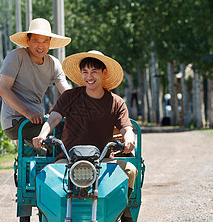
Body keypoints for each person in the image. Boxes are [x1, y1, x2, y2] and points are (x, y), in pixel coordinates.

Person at [32, 50, 138, 198]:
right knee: (46, 178)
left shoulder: (116, 102)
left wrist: (129, 140)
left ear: (104, 72)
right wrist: (42, 135)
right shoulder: (70, 96)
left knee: (130, 170)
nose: (89, 76)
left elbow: (126, 128)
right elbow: (54, 118)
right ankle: (50, 219)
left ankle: (123, 214)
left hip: (103, 159)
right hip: (69, 159)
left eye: (94, 71)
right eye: (85, 72)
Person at [0, 18, 72, 143]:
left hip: (39, 120)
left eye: (45, 41)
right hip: (16, 122)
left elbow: (67, 94)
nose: (41, 46)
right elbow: (3, 89)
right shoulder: (17, 56)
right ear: (27, 40)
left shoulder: (53, 63)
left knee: (73, 127)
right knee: (61, 130)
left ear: (50, 42)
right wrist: (28, 113)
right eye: (36, 41)